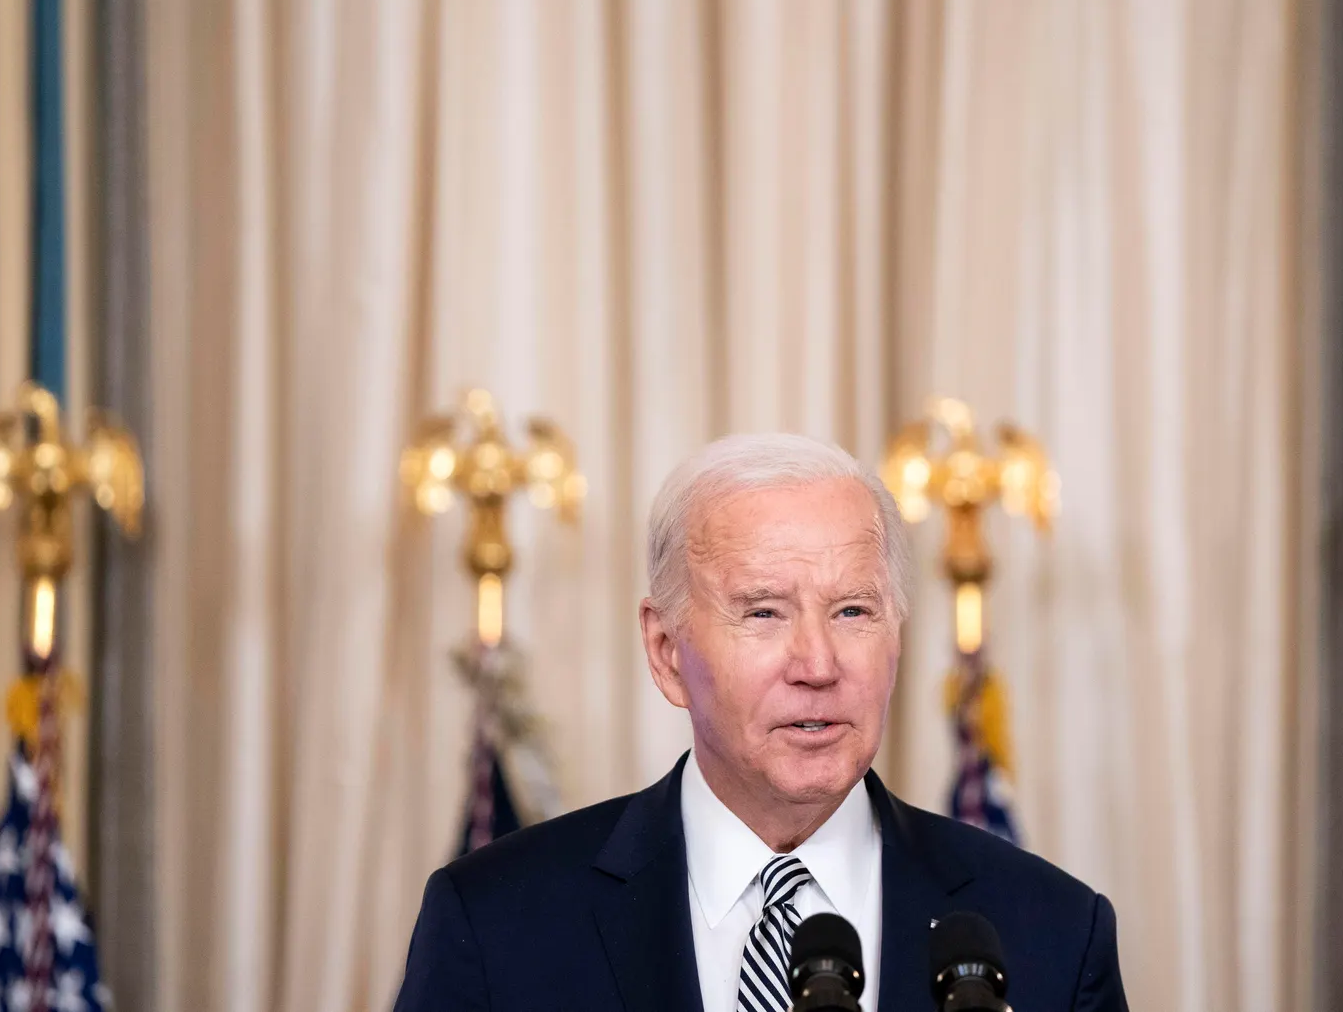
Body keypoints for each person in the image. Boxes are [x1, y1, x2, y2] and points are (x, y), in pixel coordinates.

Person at [394, 433, 1127, 1011]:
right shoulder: (495, 923)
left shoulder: (1052, 932)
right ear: (666, 652)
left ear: (896, 639)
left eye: (853, 611)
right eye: (763, 612)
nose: (817, 662)